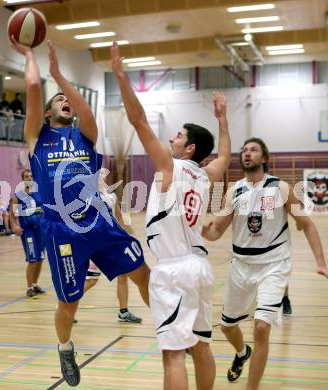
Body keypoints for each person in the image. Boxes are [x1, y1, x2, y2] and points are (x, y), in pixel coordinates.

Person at [10, 37, 150, 387]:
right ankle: (65, 346)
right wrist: (30, 54)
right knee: (68, 304)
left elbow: (86, 110)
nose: (65, 101)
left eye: (67, 98)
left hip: (99, 220)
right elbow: (30, 86)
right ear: (46, 114)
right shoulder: (37, 138)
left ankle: (171, 328)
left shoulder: (84, 134)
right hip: (61, 229)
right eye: (58, 99)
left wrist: (59, 74)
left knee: (144, 273)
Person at [111, 42, 231, 390]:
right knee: (201, 346)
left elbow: (136, 119)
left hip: (174, 269)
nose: (171, 138)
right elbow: (224, 154)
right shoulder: (206, 175)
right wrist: (222, 119)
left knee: (173, 354)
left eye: (178, 135)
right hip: (200, 268)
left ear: (189, 148)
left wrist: (121, 76)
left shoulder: (170, 165)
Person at [202, 137, 328, 390]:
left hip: (274, 264)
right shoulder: (233, 191)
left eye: (253, 150)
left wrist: (321, 262)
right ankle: (241, 352)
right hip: (241, 265)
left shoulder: (281, 188)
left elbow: (307, 225)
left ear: (265, 157)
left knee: (261, 328)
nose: (247, 153)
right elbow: (216, 232)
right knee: (227, 327)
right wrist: (201, 230)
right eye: (244, 150)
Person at [83, 168, 142, 324]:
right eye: (99, 174)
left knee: (124, 275)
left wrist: (132, 236)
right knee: (91, 280)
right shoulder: (88, 196)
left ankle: (123, 312)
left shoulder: (111, 196)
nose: (102, 176)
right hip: (96, 243)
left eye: (103, 173)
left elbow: (120, 219)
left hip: (113, 241)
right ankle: (66, 305)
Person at [9, 169, 46, 298]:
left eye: (31, 176)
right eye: (26, 176)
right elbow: (12, 214)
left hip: (41, 230)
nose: (29, 178)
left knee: (40, 259)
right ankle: (29, 287)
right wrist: (14, 226)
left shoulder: (40, 192)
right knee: (33, 259)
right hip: (28, 230)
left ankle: (35, 284)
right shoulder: (18, 196)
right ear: (23, 179)